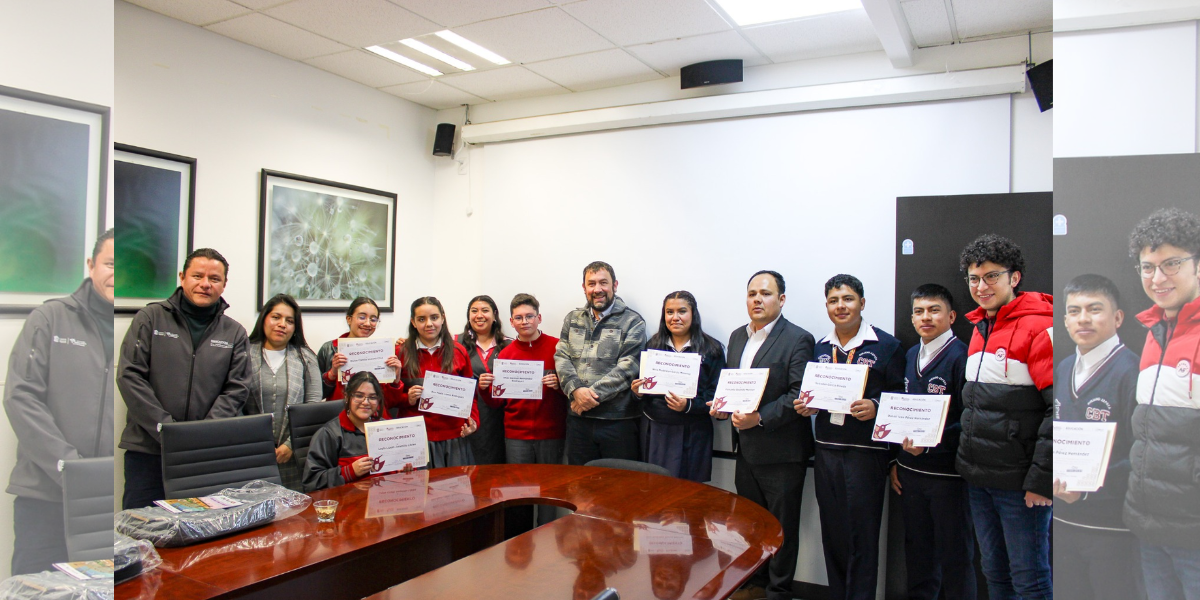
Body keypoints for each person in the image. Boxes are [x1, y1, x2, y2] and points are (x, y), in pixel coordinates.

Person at [3, 229, 114, 575]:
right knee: (36, 590)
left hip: (100, 501)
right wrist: (70, 467)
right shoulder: (50, 317)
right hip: (45, 495)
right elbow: (20, 397)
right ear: (91, 265)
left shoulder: (134, 327)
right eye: (111, 264)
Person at [955, 234, 1053, 600]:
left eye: (991, 276)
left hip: (1020, 485)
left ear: (1015, 277)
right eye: (974, 278)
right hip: (979, 480)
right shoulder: (980, 327)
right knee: (994, 573)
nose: (981, 287)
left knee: (1030, 580)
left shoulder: (1040, 327)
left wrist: (1042, 480)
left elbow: (1060, 409)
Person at [794, 274, 904, 600]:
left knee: (863, 537)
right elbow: (813, 395)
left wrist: (876, 406)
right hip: (826, 452)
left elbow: (902, 398)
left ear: (862, 303)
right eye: (833, 300)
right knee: (833, 534)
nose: (840, 306)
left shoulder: (887, 346)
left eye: (848, 299)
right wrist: (807, 406)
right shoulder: (820, 348)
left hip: (866, 455)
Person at [118, 248, 250, 509]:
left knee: (199, 527)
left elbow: (237, 388)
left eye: (214, 278)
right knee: (140, 527)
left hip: (204, 454)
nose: (205, 284)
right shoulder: (150, 318)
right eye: (197, 276)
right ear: (182, 277)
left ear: (224, 284)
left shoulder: (234, 333)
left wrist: (199, 436)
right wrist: (167, 430)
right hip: (149, 451)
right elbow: (130, 376)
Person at [717, 270, 815, 600]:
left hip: (782, 453)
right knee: (750, 525)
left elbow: (798, 394)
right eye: (752, 294)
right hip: (745, 451)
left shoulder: (798, 338)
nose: (757, 299)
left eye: (765, 293)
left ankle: (778, 591)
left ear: (781, 299)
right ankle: (754, 584)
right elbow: (733, 386)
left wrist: (758, 419)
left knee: (781, 528)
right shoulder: (737, 337)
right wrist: (721, 406)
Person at [1124, 207, 1200, 600]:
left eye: (1172, 264)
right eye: (1148, 267)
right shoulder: (1154, 333)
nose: (1157, 278)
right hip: (1150, 527)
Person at [1053, 274, 1140, 600]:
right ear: (1065, 320)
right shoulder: (1064, 368)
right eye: (1074, 311)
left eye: (1094, 309)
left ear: (1117, 317)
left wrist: (1088, 492)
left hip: (1111, 526)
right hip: (1062, 521)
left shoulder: (1132, 371)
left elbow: (1140, 454)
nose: (1083, 319)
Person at [888, 284, 975, 600]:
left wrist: (931, 442)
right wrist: (897, 460)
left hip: (948, 476)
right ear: (912, 318)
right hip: (911, 473)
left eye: (934, 310)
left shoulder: (962, 356)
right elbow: (901, 412)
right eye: (919, 311)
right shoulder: (911, 354)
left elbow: (969, 419)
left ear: (951, 316)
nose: (926, 317)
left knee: (955, 555)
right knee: (918, 552)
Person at [484, 293, 568, 530]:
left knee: (549, 494)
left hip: (551, 434)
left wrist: (559, 386)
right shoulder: (505, 355)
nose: (525, 322)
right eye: (519, 318)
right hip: (516, 436)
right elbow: (496, 403)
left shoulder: (557, 347)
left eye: (529, 316)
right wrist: (485, 390)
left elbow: (571, 389)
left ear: (539, 318)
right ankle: (521, 542)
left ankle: (547, 537)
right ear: (511, 322)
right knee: (519, 496)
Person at [554, 261, 646, 465]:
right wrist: (576, 390)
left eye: (603, 283)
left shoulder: (633, 321)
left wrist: (586, 398)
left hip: (618, 422)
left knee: (618, 482)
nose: (597, 289)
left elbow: (629, 367)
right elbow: (562, 358)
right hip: (578, 421)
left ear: (615, 285)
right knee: (579, 481)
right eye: (591, 283)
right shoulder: (572, 319)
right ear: (584, 287)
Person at [631, 291, 725, 482]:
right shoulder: (653, 346)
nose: (675, 317)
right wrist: (638, 393)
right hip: (656, 430)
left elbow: (716, 394)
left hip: (694, 431)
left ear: (693, 314)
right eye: (669, 312)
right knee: (656, 487)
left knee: (688, 491)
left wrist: (688, 405)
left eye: (682, 311)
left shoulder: (711, 349)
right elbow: (642, 389)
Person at [243, 293, 322, 492]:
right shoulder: (243, 354)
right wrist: (256, 443)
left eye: (289, 321)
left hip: (293, 456)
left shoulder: (306, 358)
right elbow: (235, 402)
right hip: (252, 453)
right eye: (276, 317)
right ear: (264, 319)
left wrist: (290, 445)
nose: (282, 325)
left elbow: (313, 406)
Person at [396, 296, 479, 467]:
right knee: (420, 484)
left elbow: (471, 395)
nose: (429, 324)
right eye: (421, 319)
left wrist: (473, 421)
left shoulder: (459, 351)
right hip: (415, 439)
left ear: (442, 318)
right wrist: (406, 398)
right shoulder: (400, 353)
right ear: (413, 322)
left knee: (455, 483)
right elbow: (386, 398)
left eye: (434, 317)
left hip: (453, 436)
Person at [303, 371, 391, 491]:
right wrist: (349, 472)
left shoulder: (387, 428)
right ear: (347, 396)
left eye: (372, 397)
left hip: (383, 496)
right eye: (359, 396)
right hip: (348, 499)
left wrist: (405, 469)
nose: (366, 402)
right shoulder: (329, 434)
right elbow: (312, 482)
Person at [316, 296, 402, 408]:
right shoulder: (329, 349)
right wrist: (332, 373)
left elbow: (390, 402)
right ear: (349, 319)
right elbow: (316, 394)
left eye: (373, 319)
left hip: (373, 415)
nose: (367, 323)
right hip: (339, 414)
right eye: (362, 317)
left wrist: (395, 379)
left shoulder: (383, 352)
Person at [457, 295, 510, 465]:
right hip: (468, 417)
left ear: (494, 315)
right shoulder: (455, 344)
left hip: (498, 419)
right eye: (474, 311)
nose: (479, 315)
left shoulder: (509, 345)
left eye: (485, 310)